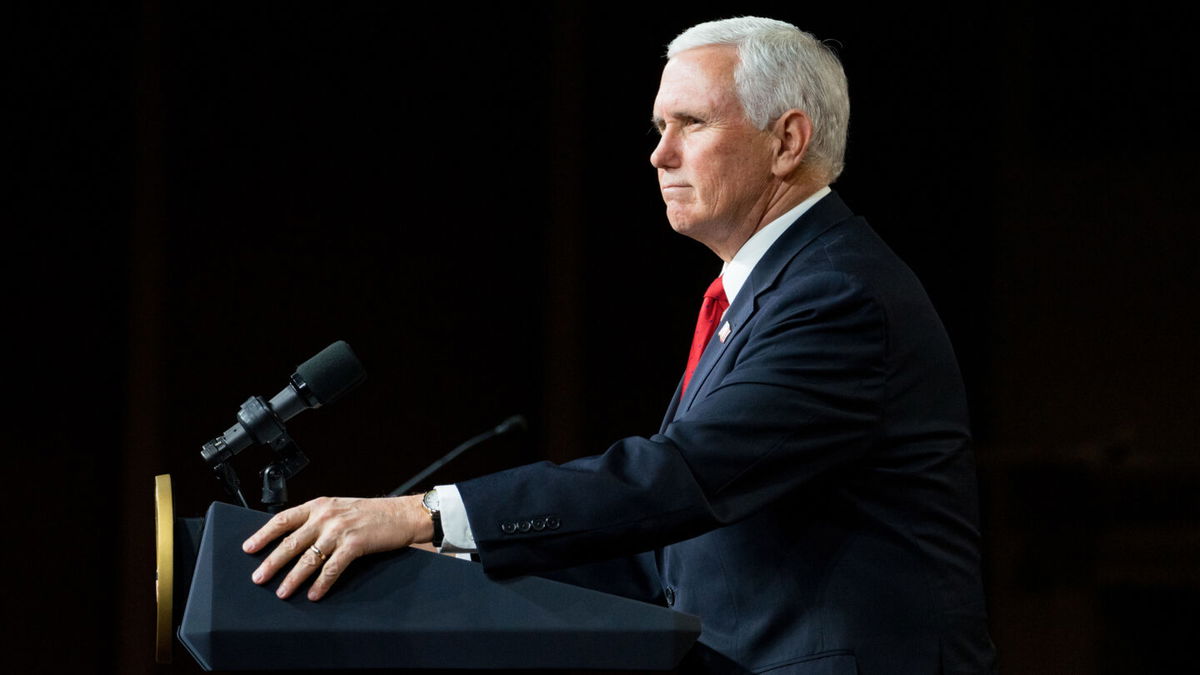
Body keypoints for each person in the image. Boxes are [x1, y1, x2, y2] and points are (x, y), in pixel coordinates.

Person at [242, 17, 997, 674]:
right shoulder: (778, 291)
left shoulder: (839, 296)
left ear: (787, 140)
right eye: (657, 128)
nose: (659, 155)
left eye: (690, 124)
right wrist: (448, 560)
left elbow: (682, 478)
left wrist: (426, 516)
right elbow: (671, 555)